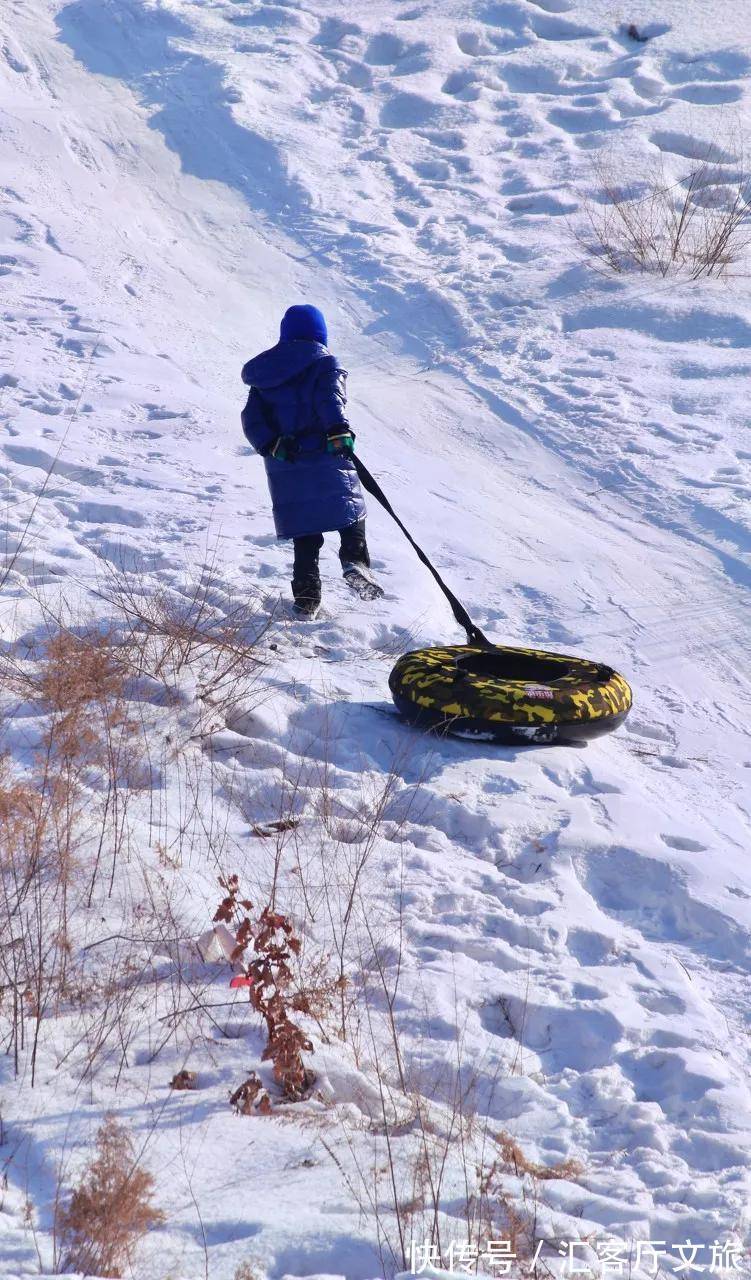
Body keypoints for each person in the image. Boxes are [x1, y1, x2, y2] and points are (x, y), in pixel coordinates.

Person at [241, 304, 382, 616]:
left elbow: (251, 419)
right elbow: (330, 399)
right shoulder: (324, 363)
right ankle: (355, 563)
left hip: (287, 464)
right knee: (351, 514)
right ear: (320, 333)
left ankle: (306, 600)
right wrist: (338, 429)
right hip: (325, 453)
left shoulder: (264, 375)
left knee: (306, 535)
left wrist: (271, 444)